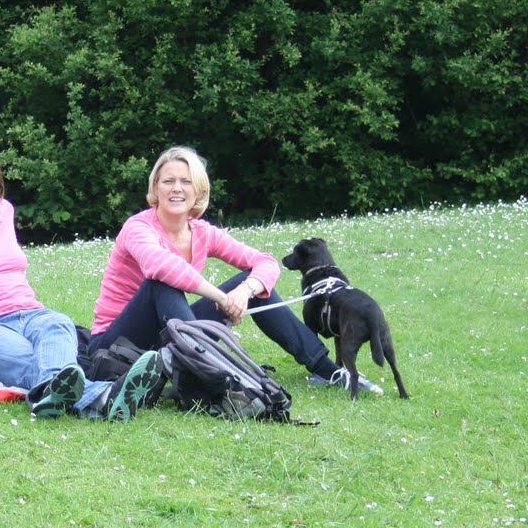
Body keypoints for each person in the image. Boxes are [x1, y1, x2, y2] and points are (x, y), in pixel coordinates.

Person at [0, 137, 164, 420]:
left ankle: (56, 395)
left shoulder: (3, 211)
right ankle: (104, 395)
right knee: (28, 357)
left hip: (31, 314)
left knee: (59, 323)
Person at [88, 146, 380, 393]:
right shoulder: (138, 227)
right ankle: (204, 375)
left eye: (186, 181)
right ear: (155, 188)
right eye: (168, 181)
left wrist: (244, 291)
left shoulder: (202, 232)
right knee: (161, 283)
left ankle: (328, 371)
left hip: (168, 336)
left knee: (254, 285)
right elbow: (161, 266)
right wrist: (221, 298)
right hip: (115, 344)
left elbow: (265, 261)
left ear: (198, 190)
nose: (177, 188)